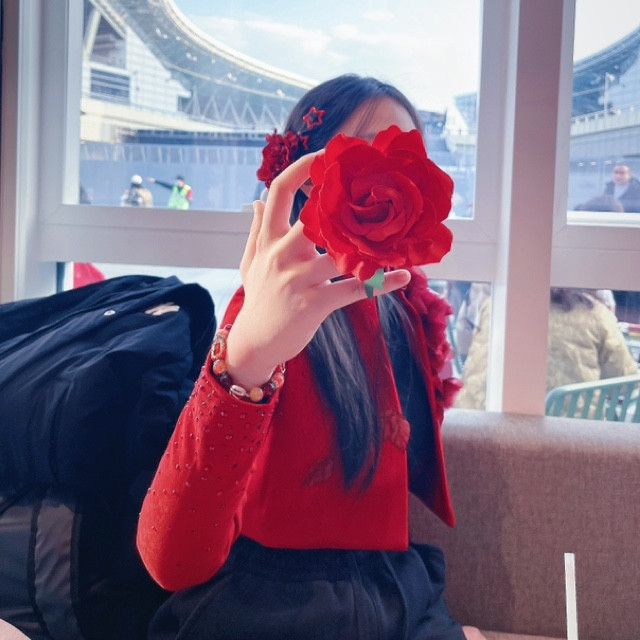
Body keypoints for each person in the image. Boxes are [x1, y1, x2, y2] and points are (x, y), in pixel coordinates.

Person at [136, 74, 485, 640]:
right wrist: (244, 362)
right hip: (273, 603)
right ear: (307, 176)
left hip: (390, 585)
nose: (389, 176)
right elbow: (172, 561)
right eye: (365, 151)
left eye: (408, 155)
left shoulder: (401, 303)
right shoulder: (269, 315)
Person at [455, 288, 638, 411]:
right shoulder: (595, 315)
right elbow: (626, 386)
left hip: (480, 422)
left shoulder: (496, 303)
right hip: (568, 437)